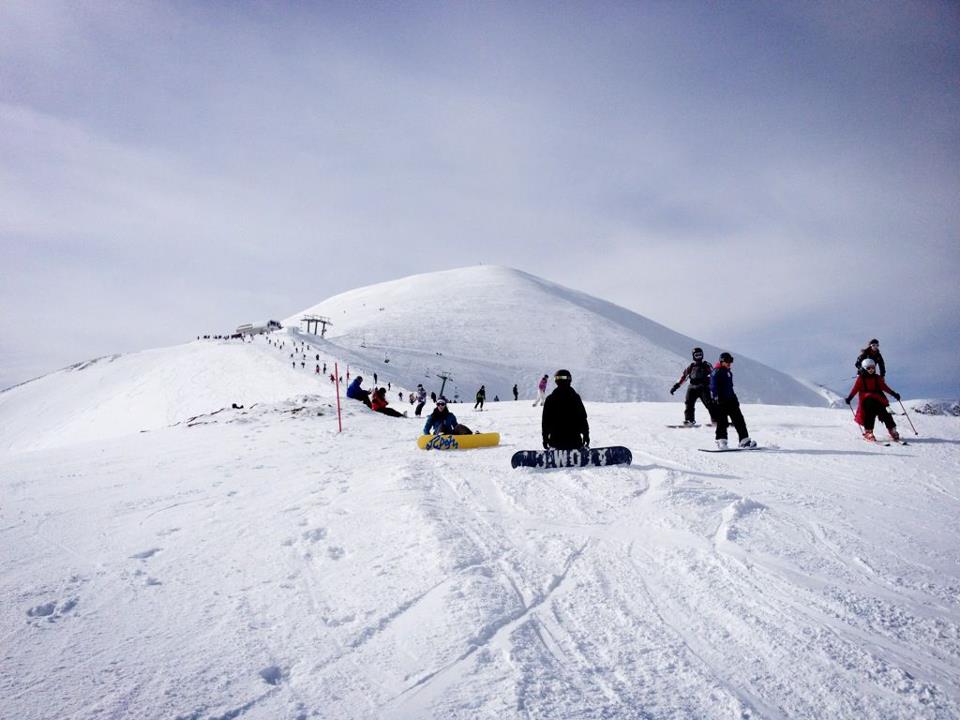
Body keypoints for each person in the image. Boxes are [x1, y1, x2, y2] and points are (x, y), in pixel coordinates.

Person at [845, 358, 901, 442]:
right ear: (864, 368)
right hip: (866, 399)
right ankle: (868, 431)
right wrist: (849, 398)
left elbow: (884, 387)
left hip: (878, 398)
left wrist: (894, 394)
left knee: (884, 412)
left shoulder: (877, 378)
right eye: (868, 368)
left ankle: (892, 429)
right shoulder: (861, 378)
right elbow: (855, 389)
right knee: (869, 412)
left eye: (873, 368)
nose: (871, 370)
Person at [709, 353, 756, 449]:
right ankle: (721, 441)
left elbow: (730, 388)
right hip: (721, 401)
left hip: (731, 400)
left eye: (731, 361)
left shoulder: (728, 372)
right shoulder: (716, 372)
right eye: (727, 361)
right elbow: (713, 386)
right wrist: (716, 397)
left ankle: (744, 440)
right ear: (722, 361)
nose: (729, 363)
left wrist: (735, 398)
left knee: (739, 420)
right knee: (722, 422)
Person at [542, 369, 589, 450]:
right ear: (570, 380)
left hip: (555, 442)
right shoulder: (575, 397)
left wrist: (545, 438)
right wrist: (586, 435)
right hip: (575, 442)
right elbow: (582, 418)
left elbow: (545, 421)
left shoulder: (550, 399)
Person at [670, 347, 718, 426]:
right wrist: (676, 386)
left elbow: (714, 375)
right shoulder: (691, 366)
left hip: (703, 387)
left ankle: (716, 420)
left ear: (702, 355)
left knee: (709, 404)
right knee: (689, 403)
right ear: (693, 356)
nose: (698, 357)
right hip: (692, 388)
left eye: (700, 355)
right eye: (696, 355)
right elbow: (684, 377)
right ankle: (689, 420)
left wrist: (715, 387)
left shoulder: (706, 365)